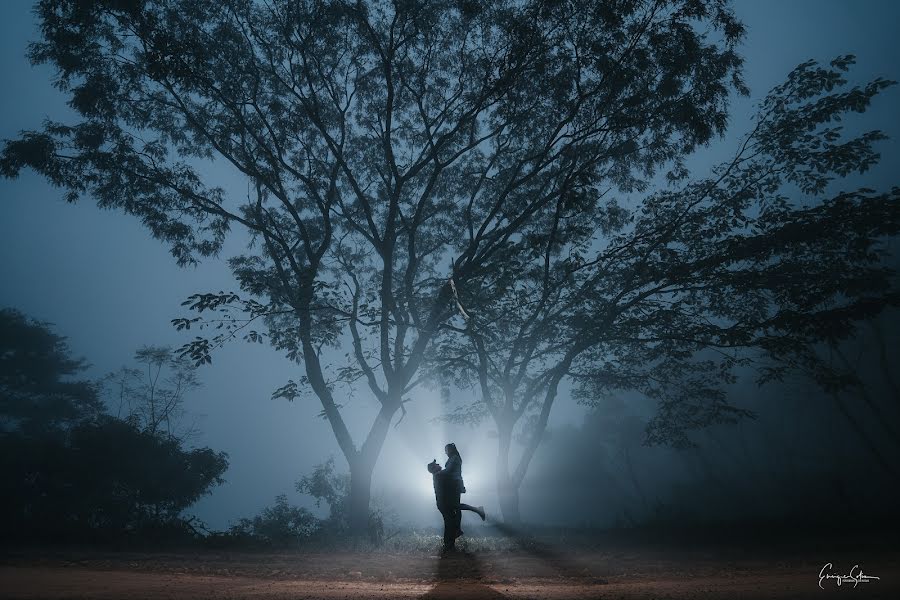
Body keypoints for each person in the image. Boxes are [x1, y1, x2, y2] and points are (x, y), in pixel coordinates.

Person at [427, 442, 485, 551]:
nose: (439, 464)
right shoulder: (439, 475)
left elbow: (453, 475)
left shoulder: (442, 473)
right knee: (451, 518)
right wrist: (460, 486)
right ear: (434, 469)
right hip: (444, 503)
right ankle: (450, 543)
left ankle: (450, 544)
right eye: (436, 465)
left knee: (450, 521)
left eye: (447, 450)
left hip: (445, 502)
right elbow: (452, 475)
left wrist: (460, 486)